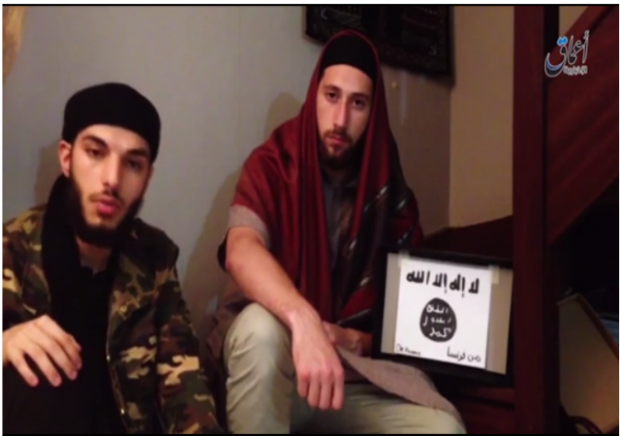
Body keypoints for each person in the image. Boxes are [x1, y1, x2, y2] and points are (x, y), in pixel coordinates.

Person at [205, 30, 466, 434]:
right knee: (260, 329)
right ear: (315, 94)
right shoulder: (274, 164)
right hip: (280, 366)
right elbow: (241, 250)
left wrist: (355, 340)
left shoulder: (388, 189)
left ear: (373, 111)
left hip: (353, 375)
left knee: (442, 429)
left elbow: (410, 322)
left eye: (357, 103)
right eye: (331, 96)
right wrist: (304, 321)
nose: (340, 119)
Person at [2, 83, 225, 434]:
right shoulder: (13, 247)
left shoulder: (155, 259)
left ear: (147, 179)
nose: (112, 179)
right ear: (66, 158)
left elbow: (184, 383)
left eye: (133, 164)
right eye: (95, 153)